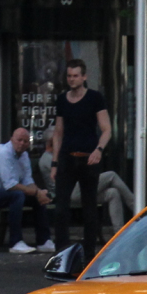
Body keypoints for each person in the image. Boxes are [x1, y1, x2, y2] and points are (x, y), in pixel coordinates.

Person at [50, 59, 112, 255]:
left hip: (88, 158)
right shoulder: (62, 99)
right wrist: (54, 162)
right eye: (69, 76)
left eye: (76, 75)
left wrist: (98, 150)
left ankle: (88, 254)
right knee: (60, 208)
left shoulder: (94, 98)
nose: (72, 79)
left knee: (89, 208)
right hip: (67, 157)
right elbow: (58, 132)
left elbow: (106, 129)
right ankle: (61, 252)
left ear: (84, 77)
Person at [0, 128, 54, 254]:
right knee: (17, 195)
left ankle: (44, 241)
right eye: (19, 140)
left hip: (4, 193)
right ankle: (15, 242)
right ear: (12, 140)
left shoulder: (24, 155)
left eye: (25, 141)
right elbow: (10, 185)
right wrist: (36, 192)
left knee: (35, 198)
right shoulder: (3, 153)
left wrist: (40, 193)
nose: (22, 143)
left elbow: (28, 180)